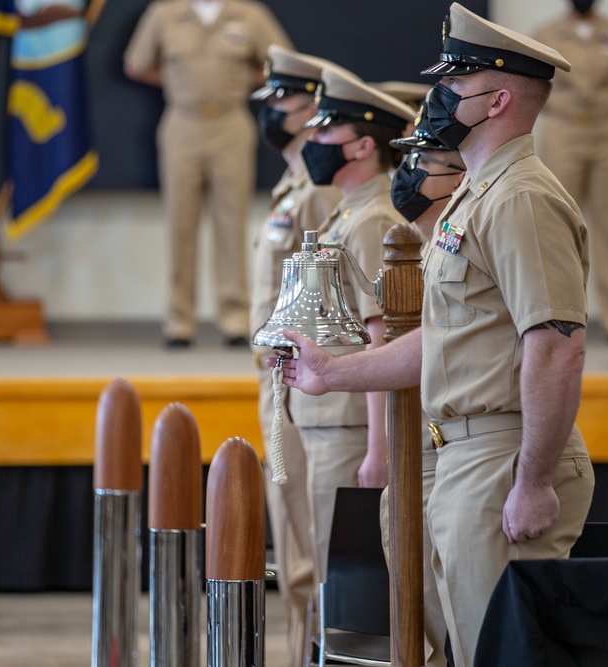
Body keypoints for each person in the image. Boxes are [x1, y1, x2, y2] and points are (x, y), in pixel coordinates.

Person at [273, 5, 595, 666]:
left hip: (504, 449)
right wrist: (332, 372)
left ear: (499, 98)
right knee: (468, 650)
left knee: (498, 652)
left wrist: (533, 478)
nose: (440, 96)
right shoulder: (480, 196)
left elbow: (557, 343)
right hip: (464, 452)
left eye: (457, 81)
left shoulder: (519, 199)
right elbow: (449, 338)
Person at [295, 61, 414, 589]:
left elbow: (381, 335)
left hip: (349, 428)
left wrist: (377, 449)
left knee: (347, 589)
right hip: (328, 420)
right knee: (327, 580)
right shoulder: (346, 215)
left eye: (327, 129)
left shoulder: (372, 222)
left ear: (364, 145)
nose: (313, 138)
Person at [123, 0, 291, 348]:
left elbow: (282, 62)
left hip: (231, 122)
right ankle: (179, 322)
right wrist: (174, 80)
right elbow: (136, 64)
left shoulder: (249, 15)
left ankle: (234, 318)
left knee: (232, 222)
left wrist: (245, 80)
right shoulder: (164, 14)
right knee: (179, 223)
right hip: (182, 121)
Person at [249, 44, 340, 667]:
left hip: (302, 375)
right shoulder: (291, 185)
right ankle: (300, 645)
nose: (272, 112)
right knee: (289, 526)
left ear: (312, 107)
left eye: (282, 100)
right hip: (278, 375)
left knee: (307, 532)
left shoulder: (315, 191)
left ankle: (314, 650)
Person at [381, 102, 468, 667]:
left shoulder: (486, 218)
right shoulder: (435, 236)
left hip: (476, 442)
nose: (411, 171)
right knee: (431, 633)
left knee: (472, 636)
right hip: (435, 440)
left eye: (425, 158)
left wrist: (337, 374)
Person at [533, 0, 608, 343]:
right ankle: (559, 316)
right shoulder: (547, 33)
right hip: (564, 132)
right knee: (559, 224)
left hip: (606, 134)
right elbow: (529, 80)